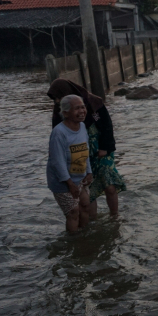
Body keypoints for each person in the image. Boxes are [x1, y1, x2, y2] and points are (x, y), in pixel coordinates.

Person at [47, 79, 126, 218]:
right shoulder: (61, 112)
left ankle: (115, 217)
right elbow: (58, 144)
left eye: (59, 96)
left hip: (102, 150)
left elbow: (107, 126)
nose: (57, 101)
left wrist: (104, 148)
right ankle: (93, 222)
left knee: (110, 185)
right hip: (81, 155)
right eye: (55, 99)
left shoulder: (92, 102)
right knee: (88, 189)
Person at [47, 94, 93, 233]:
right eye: (77, 108)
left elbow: (85, 151)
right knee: (73, 212)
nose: (82, 111)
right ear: (65, 113)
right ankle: (74, 243)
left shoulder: (83, 127)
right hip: (63, 181)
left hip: (79, 176)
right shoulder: (59, 132)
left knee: (85, 206)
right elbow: (57, 161)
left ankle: (84, 236)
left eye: (83, 107)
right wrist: (70, 183)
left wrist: (89, 171)